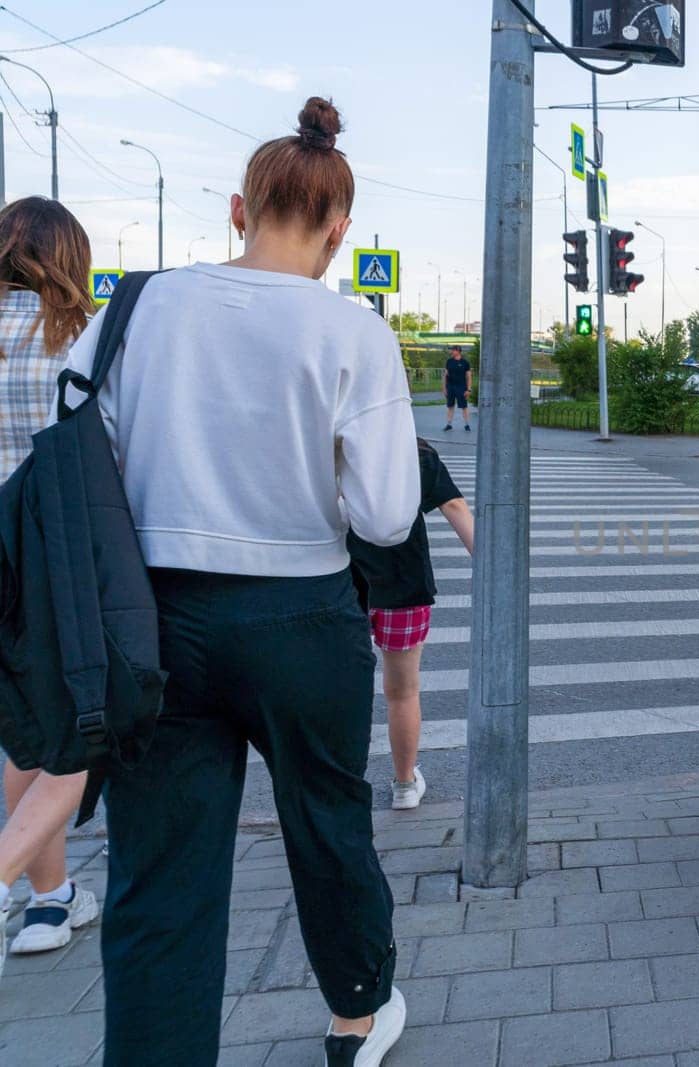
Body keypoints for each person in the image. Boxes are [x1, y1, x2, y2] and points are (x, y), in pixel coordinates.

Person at [65, 98, 419, 1066]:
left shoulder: (133, 307)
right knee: (327, 821)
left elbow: (78, 450)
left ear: (237, 207)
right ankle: (356, 1016)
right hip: (300, 614)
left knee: (159, 865)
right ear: (340, 232)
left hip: (154, 616)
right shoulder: (353, 331)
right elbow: (387, 516)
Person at [0, 197, 100, 977]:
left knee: (25, 731)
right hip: (58, 554)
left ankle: (51, 898)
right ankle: (13, 876)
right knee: (82, 732)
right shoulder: (78, 338)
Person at [348, 437, 474, 810]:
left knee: (341, 689)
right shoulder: (414, 453)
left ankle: (342, 783)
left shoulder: (327, 447)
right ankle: (404, 785)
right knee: (402, 692)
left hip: (339, 588)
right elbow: (454, 506)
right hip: (403, 590)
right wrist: (491, 566)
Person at [442, 344, 471, 431]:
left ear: (458, 351)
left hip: (461, 387)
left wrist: (469, 389)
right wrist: (444, 388)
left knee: (464, 406)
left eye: (453, 350)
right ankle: (449, 424)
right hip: (450, 387)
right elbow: (445, 375)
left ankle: (467, 425)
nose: (451, 351)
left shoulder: (465, 363)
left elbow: (469, 377)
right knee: (450, 406)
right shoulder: (449, 361)